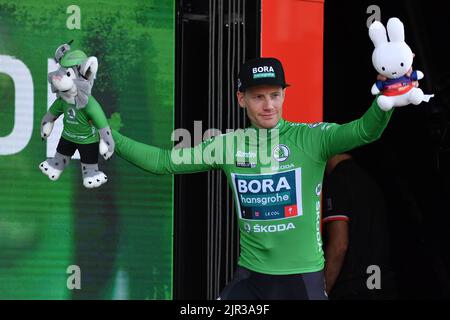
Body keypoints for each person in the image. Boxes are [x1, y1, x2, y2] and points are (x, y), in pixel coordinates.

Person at [111, 57, 395, 300]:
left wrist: (386, 101)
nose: (268, 104)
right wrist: (109, 137)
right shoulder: (226, 145)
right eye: (258, 96)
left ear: (284, 95)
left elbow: (365, 131)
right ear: (241, 99)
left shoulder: (312, 138)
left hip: (302, 281)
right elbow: (163, 162)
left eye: (275, 94)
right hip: (251, 279)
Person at [322, 153, 398, 299]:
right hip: (378, 282)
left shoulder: (337, 181)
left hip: (353, 287)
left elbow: (339, 244)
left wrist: (321, 293)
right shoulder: (369, 179)